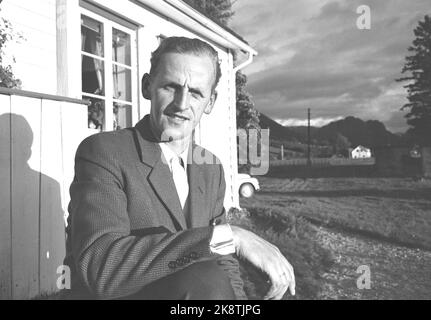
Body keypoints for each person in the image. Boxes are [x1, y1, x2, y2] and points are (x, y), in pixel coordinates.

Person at [65, 36, 295, 300]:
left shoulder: (210, 168)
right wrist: (228, 236)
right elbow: (102, 268)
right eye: (171, 87)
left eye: (196, 93)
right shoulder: (105, 152)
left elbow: (223, 263)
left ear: (210, 102)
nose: (182, 104)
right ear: (147, 86)